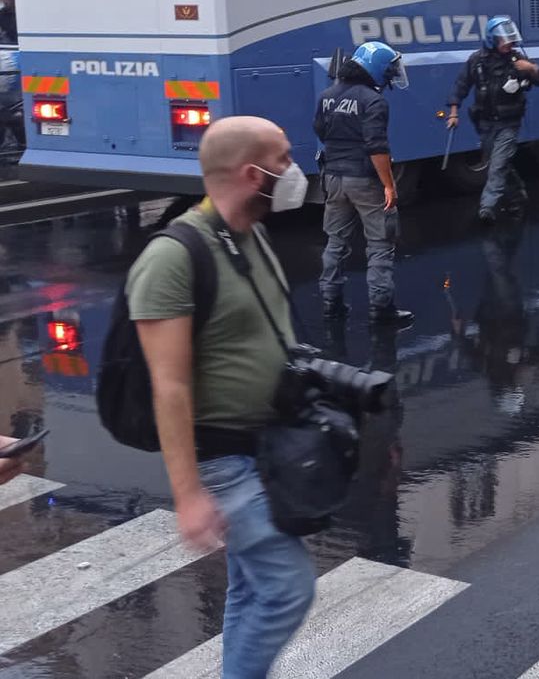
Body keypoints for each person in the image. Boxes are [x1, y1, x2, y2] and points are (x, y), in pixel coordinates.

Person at [129, 116, 316, 677]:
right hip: (222, 459)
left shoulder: (249, 234)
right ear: (248, 172)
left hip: (264, 444)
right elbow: (170, 385)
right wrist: (188, 494)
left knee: (250, 589)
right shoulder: (173, 258)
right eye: (281, 160)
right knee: (288, 588)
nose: (293, 170)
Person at [315, 41, 411, 325]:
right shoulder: (374, 100)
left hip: (332, 177)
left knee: (335, 242)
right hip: (364, 180)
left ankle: (331, 304)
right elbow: (376, 146)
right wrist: (389, 185)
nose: (392, 74)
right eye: (390, 69)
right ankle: (381, 310)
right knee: (380, 243)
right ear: (377, 68)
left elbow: (319, 129)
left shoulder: (327, 95)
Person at [446, 16, 539, 223]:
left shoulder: (517, 60)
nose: (508, 44)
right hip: (485, 123)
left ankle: (486, 208)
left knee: (498, 165)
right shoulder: (477, 61)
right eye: (504, 40)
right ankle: (517, 195)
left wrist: (531, 69)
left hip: (509, 123)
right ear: (493, 39)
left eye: (510, 40)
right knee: (499, 164)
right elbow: (461, 85)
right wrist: (453, 112)